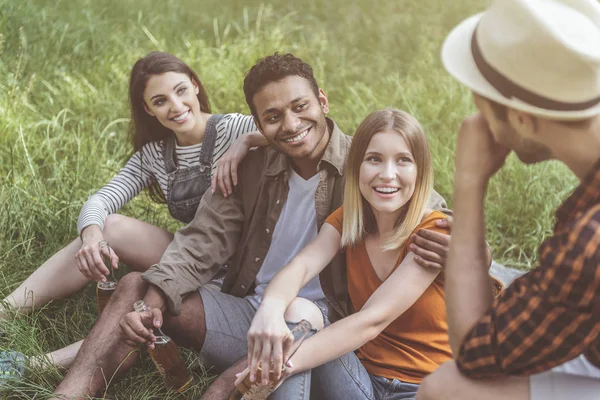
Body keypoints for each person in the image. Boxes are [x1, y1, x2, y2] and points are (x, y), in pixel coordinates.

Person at [46, 53, 451, 399]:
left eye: (300, 107)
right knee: (138, 287)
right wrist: (154, 302)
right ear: (257, 123)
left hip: (324, 329)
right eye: (272, 117)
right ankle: (66, 392)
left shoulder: (363, 168)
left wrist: (465, 246)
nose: (290, 125)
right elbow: (200, 242)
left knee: (291, 323)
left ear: (323, 101)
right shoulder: (247, 166)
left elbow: (422, 202)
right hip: (251, 311)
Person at [0, 51, 264, 373]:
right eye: (161, 100)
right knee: (109, 226)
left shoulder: (236, 127)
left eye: (181, 90)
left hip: (246, 267)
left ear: (195, 86)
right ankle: (5, 313)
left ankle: (28, 367)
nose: (176, 107)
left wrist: (248, 140)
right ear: (147, 109)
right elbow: (101, 200)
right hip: (194, 258)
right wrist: (92, 236)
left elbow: (289, 131)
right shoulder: (155, 154)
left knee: (150, 303)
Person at [416, 1, 600, 399]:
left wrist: (468, 184)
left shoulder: (590, 240)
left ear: (521, 118)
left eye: (478, 99)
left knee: (444, 388)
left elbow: (474, 351)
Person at [237, 108, 453, 400]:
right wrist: (269, 310)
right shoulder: (350, 221)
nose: (387, 174)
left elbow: (373, 320)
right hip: (361, 379)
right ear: (356, 167)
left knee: (294, 354)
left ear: (421, 171)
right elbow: (300, 267)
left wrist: (278, 367)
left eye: (403, 160)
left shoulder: (435, 232)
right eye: (374, 159)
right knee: (298, 311)